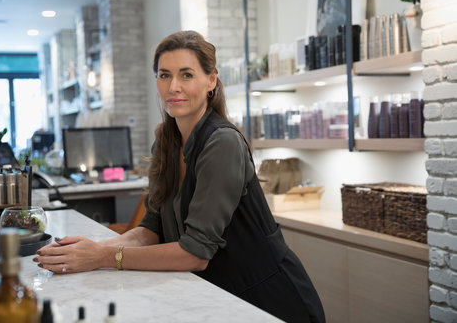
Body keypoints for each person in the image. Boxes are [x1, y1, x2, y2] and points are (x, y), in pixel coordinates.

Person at [34, 30, 325, 322]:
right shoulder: (167, 141)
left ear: (211, 81)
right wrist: (88, 249)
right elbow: (152, 228)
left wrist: (103, 257)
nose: (174, 86)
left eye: (186, 75)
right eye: (164, 75)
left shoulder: (222, 142)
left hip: (267, 300)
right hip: (217, 296)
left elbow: (195, 253)